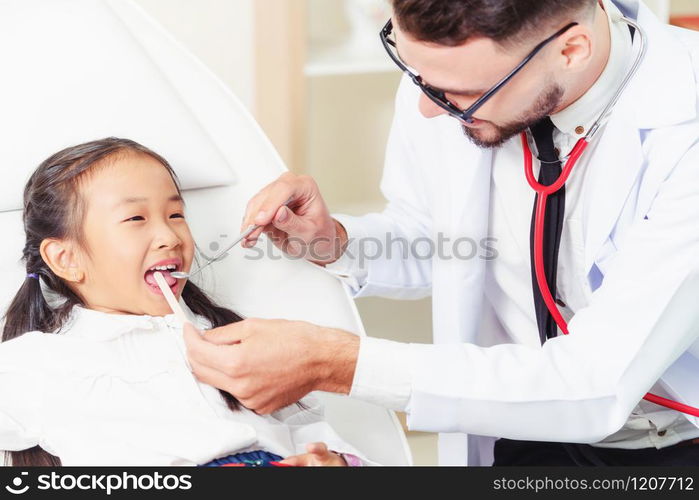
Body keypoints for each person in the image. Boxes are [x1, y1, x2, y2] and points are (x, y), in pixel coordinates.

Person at [184, 0, 699, 466]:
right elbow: (448, 241)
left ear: (571, 49)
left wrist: (334, 362)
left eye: (461, 95)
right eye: (413, 73)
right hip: (514, 425)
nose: (427, 108)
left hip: (668, 445)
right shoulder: (444, 72)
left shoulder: (686, 138)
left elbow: (593, 382)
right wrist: (335, 241)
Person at [0, 138, 366, 467]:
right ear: (67, 259)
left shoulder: (234, 340)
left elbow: (309, 430)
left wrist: (335, 462)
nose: (169, 236)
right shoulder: (40, 363)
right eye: (135, 218)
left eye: (176, 215)